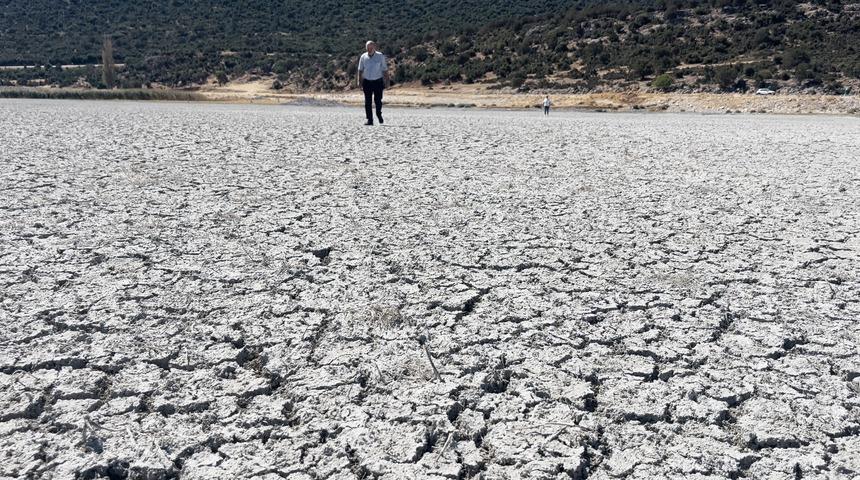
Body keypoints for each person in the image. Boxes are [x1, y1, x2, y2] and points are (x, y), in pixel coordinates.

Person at [357, 41, 389, 125]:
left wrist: (387, 81)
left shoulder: (380, 56)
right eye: (367, 48)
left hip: (378, 82)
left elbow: (385, 69)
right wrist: (359, 81)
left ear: (374, 47)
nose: (369, 49)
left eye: (371, 48)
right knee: (368, 102)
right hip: (367, 82)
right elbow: (360, 70)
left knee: (378, 101)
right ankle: (369, 120)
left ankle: (378, 114)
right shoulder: (363, 57)